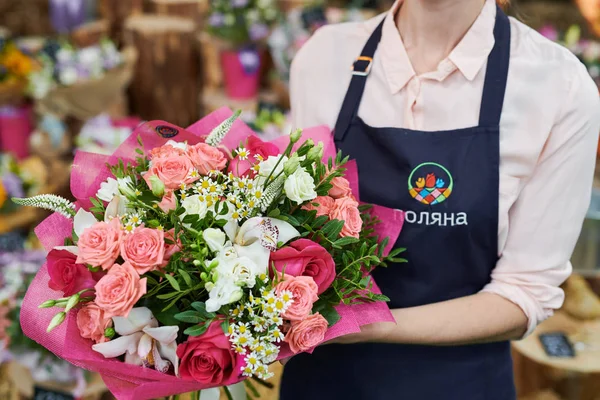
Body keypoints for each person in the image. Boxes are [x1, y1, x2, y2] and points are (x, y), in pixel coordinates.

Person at [280, 0, 600, 398]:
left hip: (461, 383)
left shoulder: (560, 87)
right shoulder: (323, 57)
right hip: (322, 381)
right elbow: (288, 226)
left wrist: (362, 325)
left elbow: (525, 294)